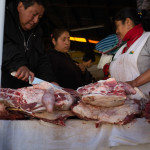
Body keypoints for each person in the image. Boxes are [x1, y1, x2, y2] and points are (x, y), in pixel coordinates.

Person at [2, 0, 57, 89]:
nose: (36, 21)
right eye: (34, 14)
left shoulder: (37, 32)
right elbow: (4, 45)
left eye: (39, 17)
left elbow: (42, 59)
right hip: (4, 88)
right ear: (20, 7)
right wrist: (19, 65)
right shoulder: (3, 19)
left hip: (24, 92)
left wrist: (49, 81)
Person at [109, 7, 150, 97]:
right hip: (126, 105)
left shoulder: (148, 38)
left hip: (146, 104)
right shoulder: (121, 49)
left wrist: (134, 82)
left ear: (128, 22)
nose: (116, 31)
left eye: (117, 26)